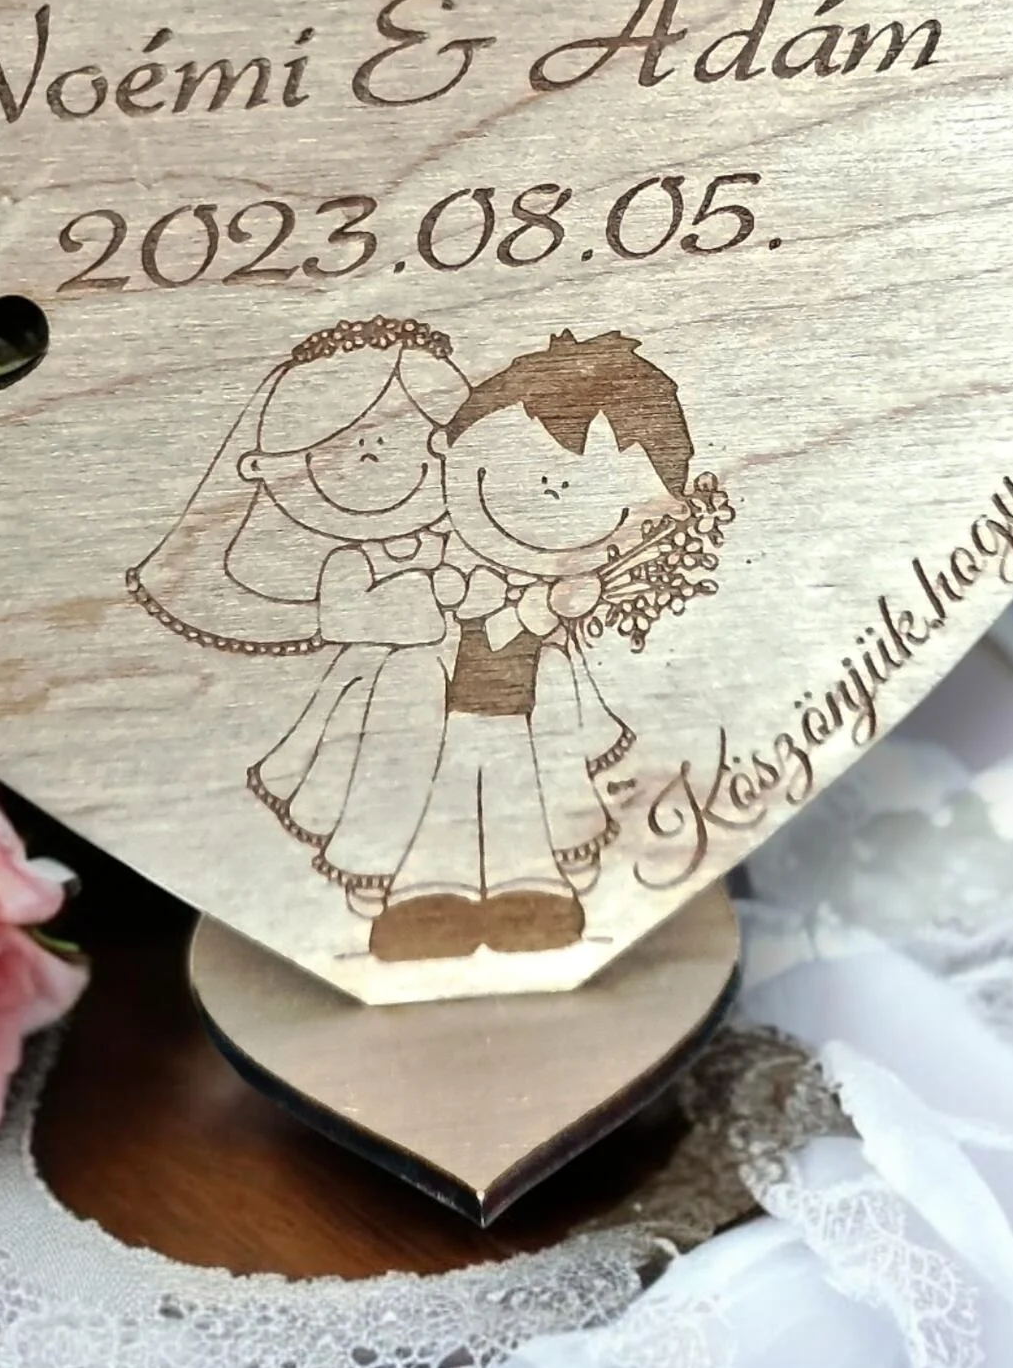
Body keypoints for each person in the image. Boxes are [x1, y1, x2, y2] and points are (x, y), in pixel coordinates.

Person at [371, 331, 694, 962]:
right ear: (450, 448)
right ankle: (428, 891)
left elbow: (546, 616)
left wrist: (556, 601)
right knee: (445, 794)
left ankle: (530, 888)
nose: (553, 496)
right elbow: (447, 607)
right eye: (531, 473)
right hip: (448, 716)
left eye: (602, 499)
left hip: (521, 719)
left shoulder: (556, 589)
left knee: (522, 798)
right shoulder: (453, 567)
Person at [127, 317, 470, 911]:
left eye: (421, 448)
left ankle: (451, 864)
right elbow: (352, 619)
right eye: (346, 450)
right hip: (372, 694)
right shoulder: (348, 562)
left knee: (460, 774)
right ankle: (372, 869)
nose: (382, 460)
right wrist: (433, 595)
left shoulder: (450, 545)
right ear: (272, 465)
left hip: (448, 690)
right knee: (373, 775)